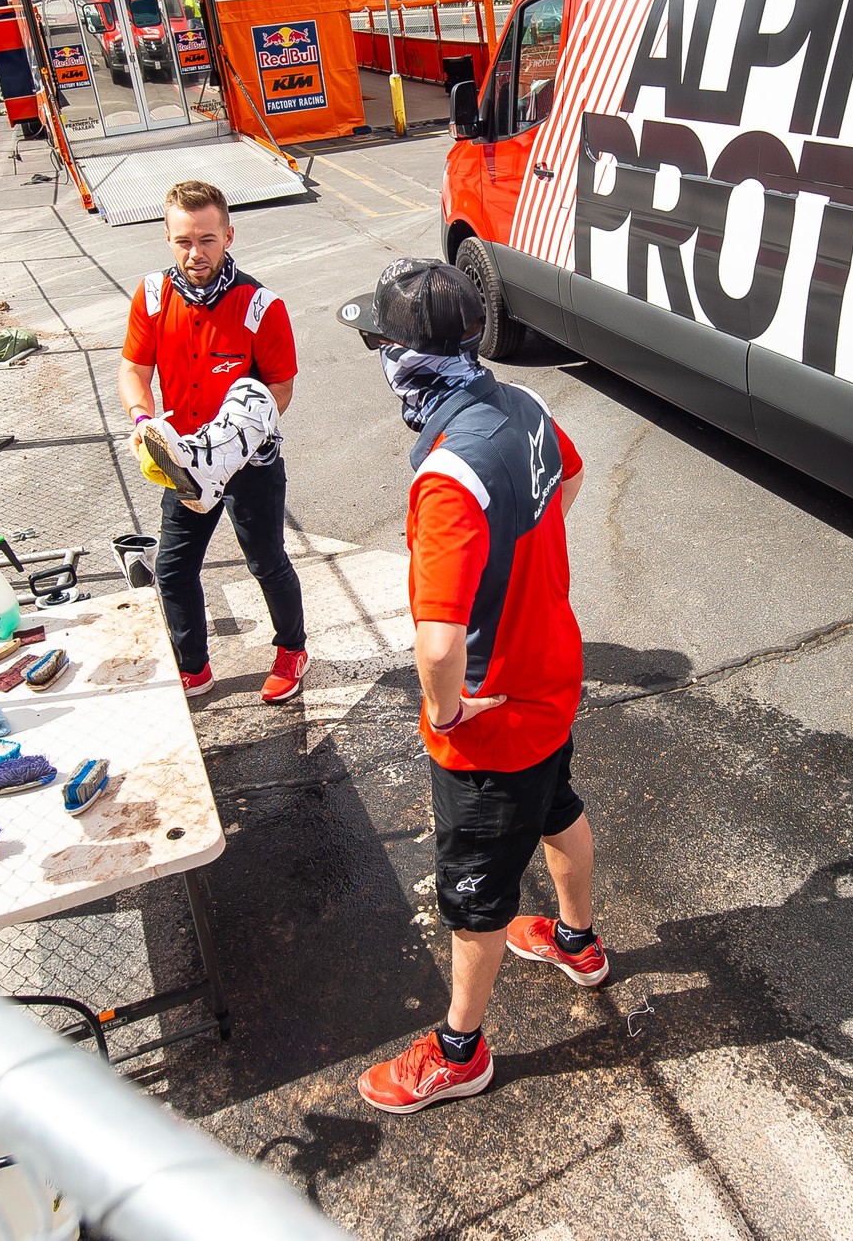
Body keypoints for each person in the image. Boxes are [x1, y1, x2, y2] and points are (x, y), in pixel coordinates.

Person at [340, 259, 602, 1113]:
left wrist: (448, 709)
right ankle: (576, 941)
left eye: (379, 341)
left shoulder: (449, 475)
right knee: (556, 803)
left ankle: (461, 1050)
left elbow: (439, 639)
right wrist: (529, 582)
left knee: (476, 894)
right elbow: (569, 473)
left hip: (494, 720)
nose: (378, 355)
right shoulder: (519, 403)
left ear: (404, 355)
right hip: (553, 675)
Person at [120, 180, 308, 704]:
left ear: (228, 235)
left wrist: (234, 439)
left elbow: (281, 387)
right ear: (168, 238)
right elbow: (133, 368)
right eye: (183, 241)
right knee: (174, 567)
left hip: (250, 461)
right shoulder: (153, 296)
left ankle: (292, 649)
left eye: (206, 239)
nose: (195, 252)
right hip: (184, 460)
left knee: (266, 560)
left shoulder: (259, 305)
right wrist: (142, 420)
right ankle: (194, 666)